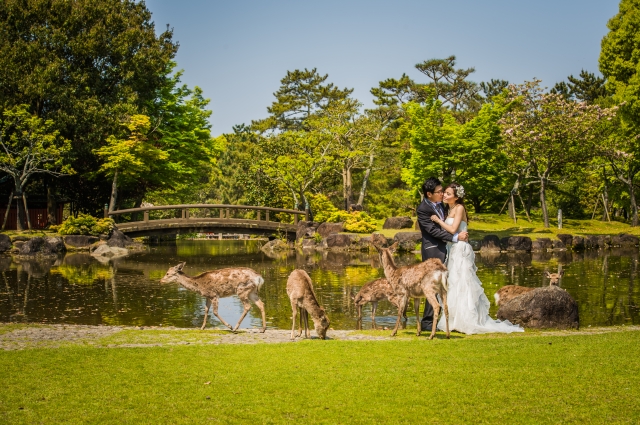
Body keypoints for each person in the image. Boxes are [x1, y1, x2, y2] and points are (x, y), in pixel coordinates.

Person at [430, 182, 523, 334]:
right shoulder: (449, 208)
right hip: (452, 249)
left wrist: (438, 221)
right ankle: (453, 320)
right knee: (453, 283)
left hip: (460, 250)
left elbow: (453, 229)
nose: (445, 195)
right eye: (445, 193)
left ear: (456, 196)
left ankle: (467, 320)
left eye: (448, 194)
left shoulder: (459, 208)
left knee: (463, 282)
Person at [415, 177, 468, 331]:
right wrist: (455, 237)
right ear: (429, 194)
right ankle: (427, 322)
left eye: (443, 191)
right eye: (439, 192)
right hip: (433, 250)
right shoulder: (423, 209)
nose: (442, 194)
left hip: (449, 249)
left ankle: (449, 319)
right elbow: (432, 231)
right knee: (431, 285)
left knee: (447, 285)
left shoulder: (445, 206)